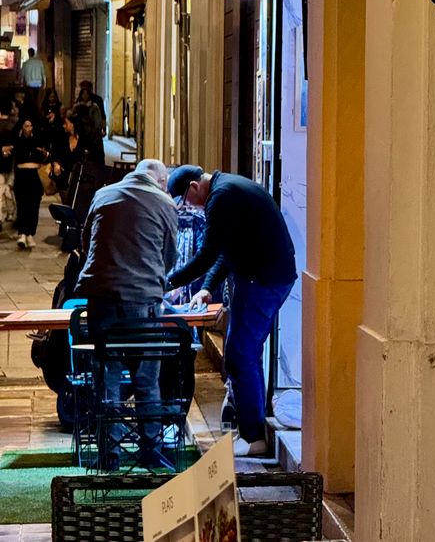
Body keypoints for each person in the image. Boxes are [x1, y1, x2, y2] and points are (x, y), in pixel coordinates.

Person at [166, 165, 297, 457]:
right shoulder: (228, 189)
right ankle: (251, 428)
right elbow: (226, 250)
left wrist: (169, 281)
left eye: (186, 200)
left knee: (240, 355)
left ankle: (253, 437)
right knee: (246, 354)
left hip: (262, 280)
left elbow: (208, 253)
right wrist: (206, 288)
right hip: (265, 276)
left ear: (194, 186)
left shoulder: (221, 197)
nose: (190, 207)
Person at [74, 159, 177, 470]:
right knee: (146, 379)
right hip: (143, 303)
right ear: (161, 181)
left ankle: (111, 454)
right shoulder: (164, 202)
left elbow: (86, 240)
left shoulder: (103, 195)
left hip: (100, 300)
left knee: (107, 378)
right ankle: (151, 450)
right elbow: (169, 255)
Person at [8, 116, 48, 249]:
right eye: (26, 126)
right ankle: (22, 233)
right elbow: (16, 161)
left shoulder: (38, 141)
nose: (28, 129)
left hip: (34, 178)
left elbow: (43, 159)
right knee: (22, 205)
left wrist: (45, 154)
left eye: (30, 126)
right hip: (21, 178)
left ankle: (30, 233)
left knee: (33, 206)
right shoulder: (18, 142)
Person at [71, 87, 104, 164]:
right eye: (83, 94)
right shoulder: (77, 106)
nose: (85, 96)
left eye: (87, 94)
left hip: (91, 137)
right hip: (81, 136)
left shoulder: (94, 107)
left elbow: (97, 123)